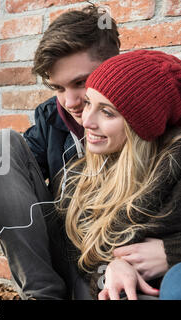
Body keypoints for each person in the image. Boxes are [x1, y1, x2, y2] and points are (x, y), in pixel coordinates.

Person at [0, 5, 169, 300]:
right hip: (68, 252)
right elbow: (8, 179)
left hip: (126, 269)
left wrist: (172, 250)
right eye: (58, 87)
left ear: (112, 67)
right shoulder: (52, 119)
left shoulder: (156, 114)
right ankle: (42, 295)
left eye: (81, 82)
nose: (71, 102)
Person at [57, 49, 181, 300]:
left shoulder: (173, 169)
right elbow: (89, 261)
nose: (86, 121)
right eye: (89, 102)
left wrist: (173, 251)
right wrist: (114, 266)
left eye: (108, 112)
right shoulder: (80, 176)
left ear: (141, 128)